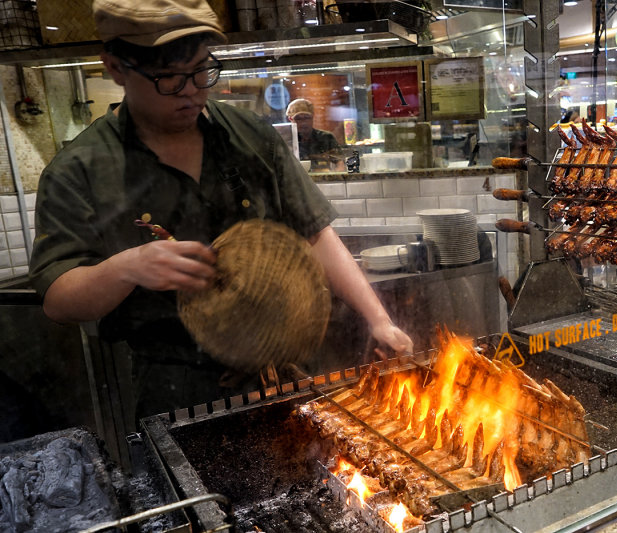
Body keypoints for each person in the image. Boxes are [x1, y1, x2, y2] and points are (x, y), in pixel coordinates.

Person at [28, 0, 413, 418]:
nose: (192, 90)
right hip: (180, 391)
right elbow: (58, 300)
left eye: (201, 71)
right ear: (116, 68)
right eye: (169, 78)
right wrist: (129, 266)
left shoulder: (249, 136)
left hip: (285, 373)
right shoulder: (79, 170)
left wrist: (378, 319)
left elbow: (314, 230)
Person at [285, 98, 342, 170]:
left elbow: (341, 164)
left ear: (313, 117)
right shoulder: (286, 141)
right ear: (290, 119)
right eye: (298, 118)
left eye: (307, 117)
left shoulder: (326, 138)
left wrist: (334, 177)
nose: (303, 122)